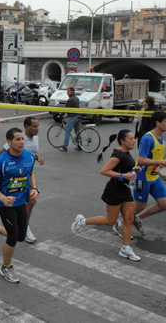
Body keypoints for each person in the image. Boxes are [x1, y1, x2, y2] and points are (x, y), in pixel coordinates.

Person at [71, 130, 141, 261]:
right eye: (131, 138)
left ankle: (125, 249)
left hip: (125, 190)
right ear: (123, 141)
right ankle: (82, 221)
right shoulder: (118, 154)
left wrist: (133, 170)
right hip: (114, 190)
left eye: (134, 138)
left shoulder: (126, 153)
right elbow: (104, 171)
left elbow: (121, 168)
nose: (134, 140)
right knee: (111, 221)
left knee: (129, 220)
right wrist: (123, 175)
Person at [0, 127, 37, 284]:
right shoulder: (1, 161)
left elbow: (30, 174)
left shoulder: (30, 157)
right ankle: (6, 267)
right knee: (12, 237)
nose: (21, 142)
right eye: (18, 139)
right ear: (9, 142)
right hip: (6, 204)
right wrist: (2, 197)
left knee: (20, 235)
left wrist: (34, 189)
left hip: (21, 201)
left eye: (22, 139)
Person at [0, 116, 45, 243]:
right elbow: (3, 151)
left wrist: (37, 158)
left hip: (27, 172)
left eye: (38, 126)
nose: (37, 129)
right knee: (21, 200)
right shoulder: (18, 138)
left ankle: (20, 225)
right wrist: (9, 166)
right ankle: (22, 226)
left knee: (31, 200)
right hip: (14, 173)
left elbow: (31, 153)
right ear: (26, 127)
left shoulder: (35, 138)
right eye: (35, 126)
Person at [116, 111, 166, 237]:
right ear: (158, 123)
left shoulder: (161, 139)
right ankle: (120, 224)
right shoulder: (148, 138)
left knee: (164, 204)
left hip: (154, 176)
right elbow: (141, 159)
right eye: (165, 121)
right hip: (142, 176)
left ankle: (137, 218)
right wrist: (161, 162)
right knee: (140, 204)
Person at [59, 86, 81, 152]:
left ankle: (64, 146)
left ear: (72, 91)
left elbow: (66, 108)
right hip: (77, 116)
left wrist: (61, 114)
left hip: (72, 117)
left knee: (67, 132)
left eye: (68, 91)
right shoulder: (77, 98)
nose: (67, 93)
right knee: (77, 132)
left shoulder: (70, 99)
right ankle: (80, 146)